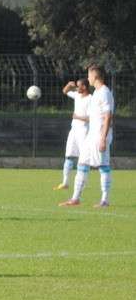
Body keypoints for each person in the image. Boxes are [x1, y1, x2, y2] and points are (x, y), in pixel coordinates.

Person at [60, 64, 114, 208]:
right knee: (82, 164)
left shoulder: (104, 92)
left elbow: (108, 116)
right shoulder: (97, 92)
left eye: (89, 75)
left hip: (100, 136)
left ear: (95, 76)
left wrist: (103, 138)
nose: (88, 78)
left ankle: (105, 200)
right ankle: (75, 198)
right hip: (91, 135)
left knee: (103, 166)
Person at [54, 78, 90, 191]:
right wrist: (68, 85)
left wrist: (77, 117)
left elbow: (91, 118)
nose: (76, 88)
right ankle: (65, 182)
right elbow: (65, 91)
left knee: (83, 158)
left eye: (78, 86)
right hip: (74, 130)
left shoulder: (91, 99)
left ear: (84, 87)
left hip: (84, 131)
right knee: (69, 155)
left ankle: (82, 182)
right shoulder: (78, 95)